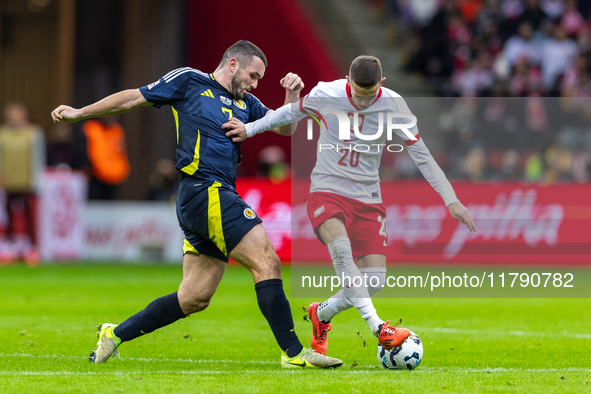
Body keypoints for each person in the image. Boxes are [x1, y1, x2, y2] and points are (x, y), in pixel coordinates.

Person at [51, 40, 342, 369]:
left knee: (194, 298)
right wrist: (80, 113)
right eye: (252, 75)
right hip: (205, 191)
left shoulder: (246, 102)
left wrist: (292, 97)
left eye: (259, 79)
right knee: (266, 260)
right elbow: (134, 97)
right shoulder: (189, 80)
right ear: (232, 64)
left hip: (208, 200)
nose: (255, 84)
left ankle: (114, 334)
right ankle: (293, 353)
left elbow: (285, 127)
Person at [223, 55, 477, 355]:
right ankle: (379, 327)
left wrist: (451, 199)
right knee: (342, 252)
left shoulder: (394, 106)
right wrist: (249, 129)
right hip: (326, 192)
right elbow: (287, 115)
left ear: (381, 84)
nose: (362, 103)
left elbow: (422, 155)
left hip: (368, 200)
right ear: (347, 80)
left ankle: (322, 313)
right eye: (357, 95)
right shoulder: (326, 94)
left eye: (369, 97)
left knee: (375, 280)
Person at [0, 103, 46, 265]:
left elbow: (38, 158)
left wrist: (36, 181)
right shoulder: (2, 134)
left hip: (28, 183)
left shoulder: (33, 132)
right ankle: (9, 248)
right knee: (7, 217)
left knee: (30, 216)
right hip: (8, 183)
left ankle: (31, 249)